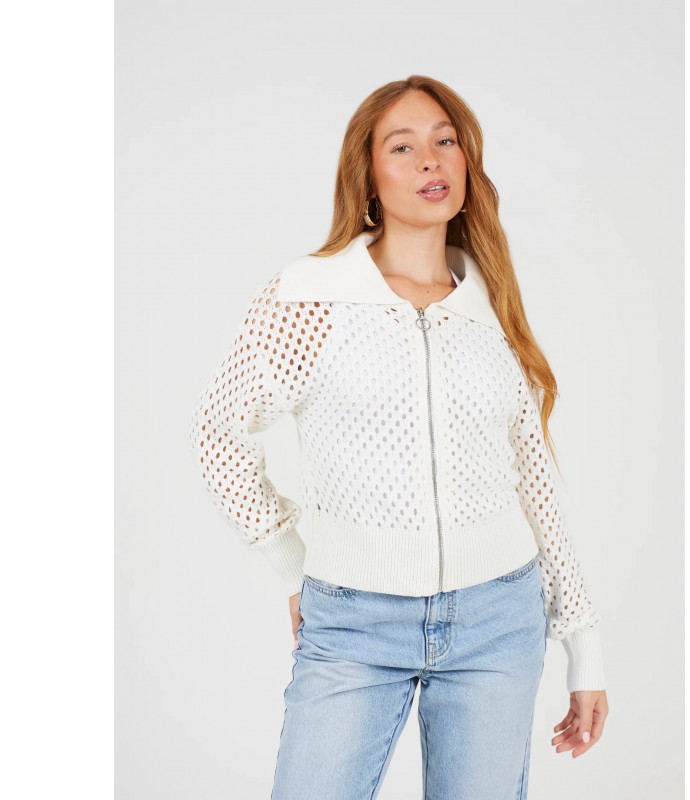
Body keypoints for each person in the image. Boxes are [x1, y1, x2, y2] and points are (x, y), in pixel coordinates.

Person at [189, 75, 609, 799]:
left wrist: (585, 645)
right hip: (353, 621)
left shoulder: (490, 303)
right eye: (403, 146)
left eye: (445, 141)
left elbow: (534, 476)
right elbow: (218, 435)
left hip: (497, 621)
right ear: (369, 178)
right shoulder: (309, 298)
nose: (429, 160)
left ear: (467, 165)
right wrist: (293, 564)